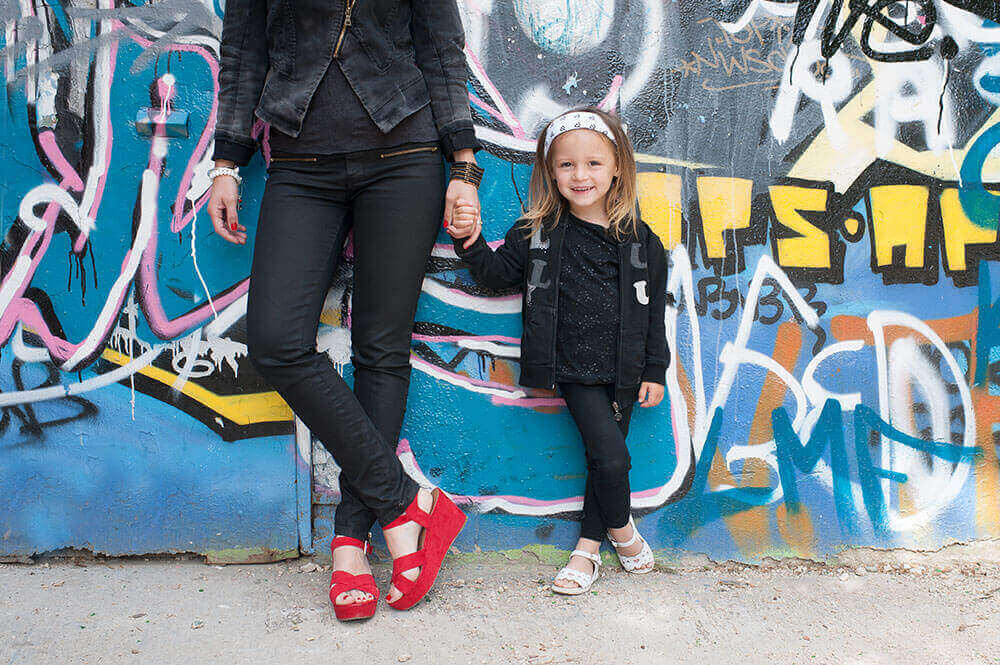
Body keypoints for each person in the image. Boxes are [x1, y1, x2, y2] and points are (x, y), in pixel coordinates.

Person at [206, 0, 481, 620]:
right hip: (301, 165)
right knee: (277, 341)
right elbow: (244, 53)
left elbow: (442, 49)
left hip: (405, 159)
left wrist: (463, 165)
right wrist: (226, 161)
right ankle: (409, 505)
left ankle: (351, 542)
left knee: (381, 352)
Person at [446, 107, 668, 594]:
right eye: (566, 165)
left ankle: (586, 552)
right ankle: (623, 531)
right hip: (572, 367)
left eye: (593, 163)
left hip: (625, 369)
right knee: (611, 459)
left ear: (616, 169)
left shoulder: (640, 241)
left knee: (601, 459)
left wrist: (655, 368)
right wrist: (469, 241)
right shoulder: (538, 232)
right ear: (550, 172)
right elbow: (495, 274)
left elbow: (653, 312)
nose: (580, 175)